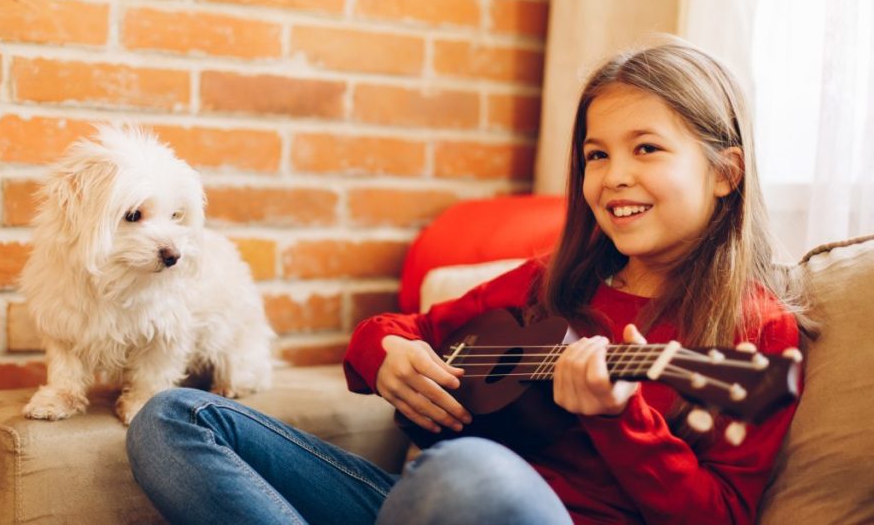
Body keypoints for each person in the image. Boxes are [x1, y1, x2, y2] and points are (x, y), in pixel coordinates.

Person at [125, 37, 808, 524]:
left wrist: (617, 418)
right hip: (427, 507)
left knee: (468, 471)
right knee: (174, 419)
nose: (614, 175)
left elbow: (721, 515)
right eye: (596, 154)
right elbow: (399, 332)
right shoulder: (553, 283)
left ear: (726, 172)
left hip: (496, 499)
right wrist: (385, 355)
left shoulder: (757, 330)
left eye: (647, 148)